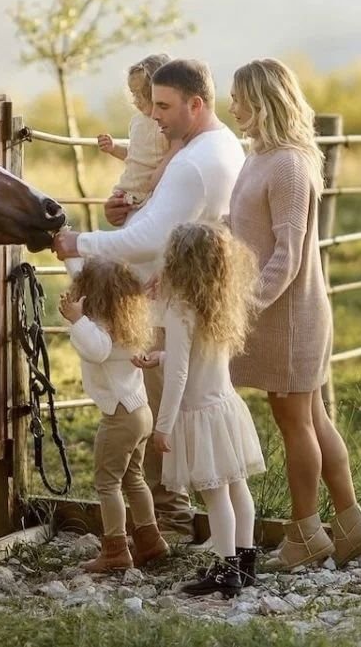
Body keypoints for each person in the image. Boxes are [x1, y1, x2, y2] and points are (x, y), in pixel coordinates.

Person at [53, 58, 246, 539]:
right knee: (220, 471)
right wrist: (127, 214)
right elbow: (157, 225)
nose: (153, 116)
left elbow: (152, 240)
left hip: (164, 304)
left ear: (196, 104)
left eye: (163, 106)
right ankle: (220, 548)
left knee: (185, 449)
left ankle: (183, 535)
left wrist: (82, 244)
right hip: (173, 295)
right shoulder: (214, 147)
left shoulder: (195, 162)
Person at [226, 58, 361, 569]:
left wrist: (245, 309)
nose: (233, 106)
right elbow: (250, 225)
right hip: (280, 312)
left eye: (240, 97)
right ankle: (354, 529)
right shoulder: (260, 157)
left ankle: (305, 537)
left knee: (296, 421)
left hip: (288, 315)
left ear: (264, 99)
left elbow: (287, 254)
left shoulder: (290, 165)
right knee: (311, 417)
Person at [134, 222, 265, 597]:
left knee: (215, 495)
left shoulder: (181, 311)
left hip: (199, 415)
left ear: (178, 263)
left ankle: (226, 571)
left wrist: (163, 426)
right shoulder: (219, 304)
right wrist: (159, 355)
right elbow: (192, 359)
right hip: (224, 407)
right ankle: (244, 560)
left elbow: (178, 375)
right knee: (237, 487)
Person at [58, 258, 169, 573]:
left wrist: (78, 321)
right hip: (140, 411)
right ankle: (151, 541)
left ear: (89, 294)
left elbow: (97, 350)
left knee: (107, 483)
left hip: (120, 416)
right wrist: (68, 250)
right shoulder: (129, 320)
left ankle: (116, 550)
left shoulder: (100, 328)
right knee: (133, 478)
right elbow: (85, 274)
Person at [96, 53, 181, 210]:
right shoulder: (136, 122)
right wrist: (113, 148)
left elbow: (174, 158)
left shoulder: (169, 124)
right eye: (133, 94)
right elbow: (135, 156)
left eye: (141, 93)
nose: (136, 100)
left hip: (152, 196)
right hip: (127, 193)